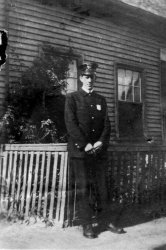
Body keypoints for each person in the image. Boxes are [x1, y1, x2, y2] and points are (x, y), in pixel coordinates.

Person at [65, 62, 125, 238]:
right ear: (81, 78)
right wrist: (85, 144)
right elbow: (70, 124)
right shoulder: (72, 98)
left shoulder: (101, 99)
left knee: (102, 187)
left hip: (98, 152)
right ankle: (87, 225)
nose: (89, 79)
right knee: (84, 188)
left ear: (95, 78)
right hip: (80, 152)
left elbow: (107, 124)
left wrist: (100, 142)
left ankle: (106, 221)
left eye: (92, 77)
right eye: (86, 76)